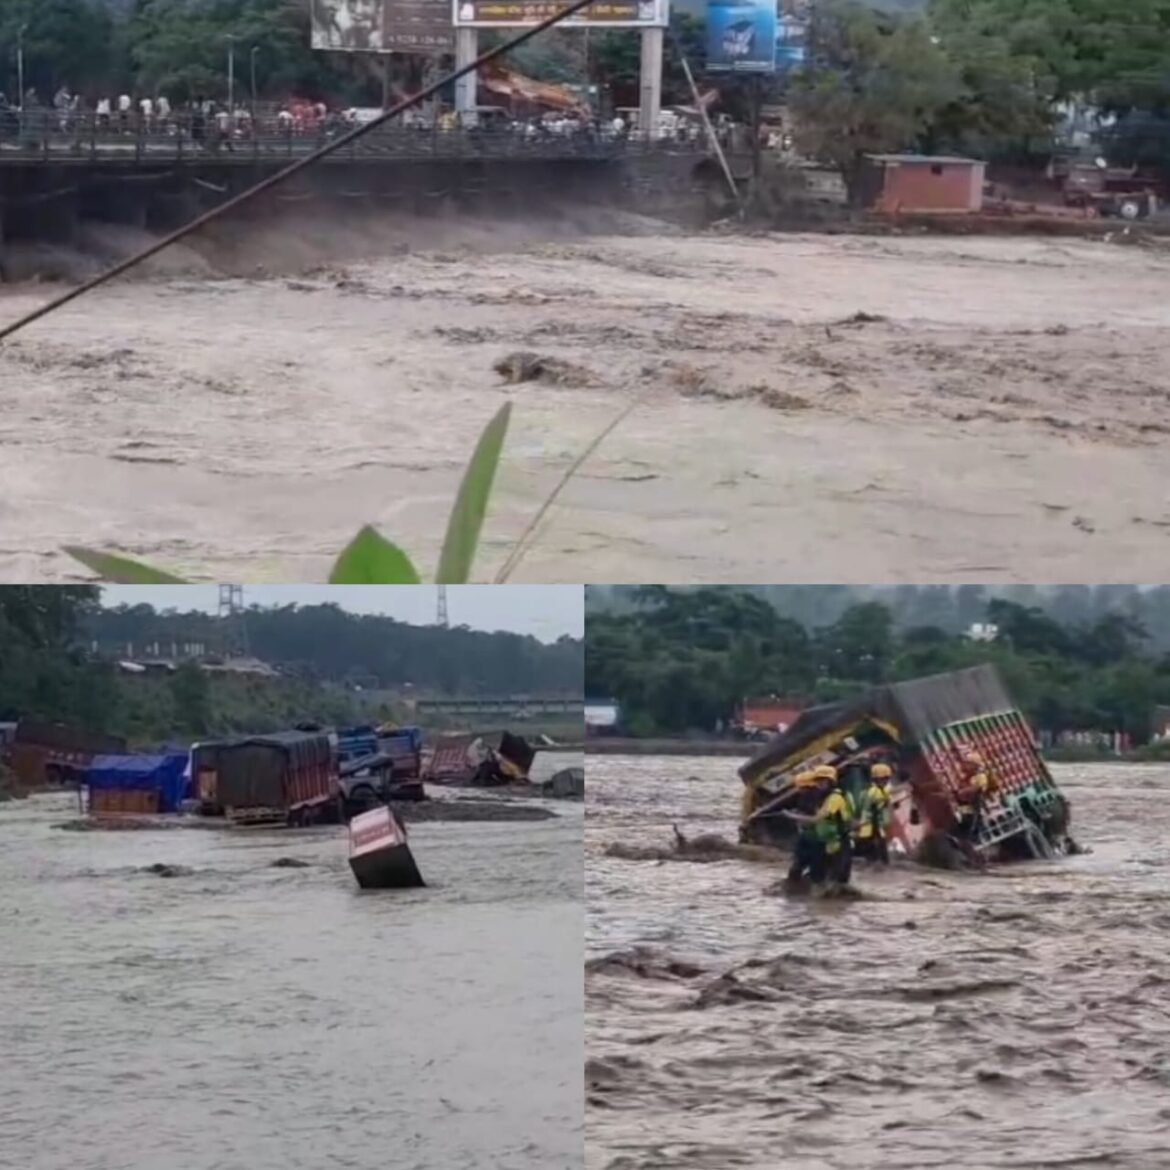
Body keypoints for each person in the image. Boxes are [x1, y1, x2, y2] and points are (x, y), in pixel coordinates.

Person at [784, 770, 827, 886]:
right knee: (798, 865)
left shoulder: (816, 798)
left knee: (814, 868)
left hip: (816, 837)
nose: (799, 790)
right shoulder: (805, 797)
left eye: (801, 788)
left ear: (808, 787)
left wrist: (793, 815)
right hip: (807, 836)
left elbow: (815, 817)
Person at [855, 762, 892, 864]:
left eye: (885, 779)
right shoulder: (874, 792)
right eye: (882, 779)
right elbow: (867, 811)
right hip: (871, 830)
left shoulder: (878, 791)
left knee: (875, 859)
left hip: (873, 829)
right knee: (879, 859)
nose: (884, 781)